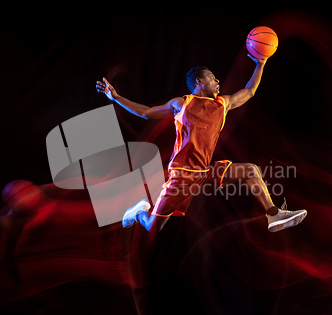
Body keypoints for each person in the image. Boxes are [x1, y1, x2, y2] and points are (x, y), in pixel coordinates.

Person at [96, 55, 306, 233]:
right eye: (212, 78)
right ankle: (140, 211)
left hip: (205, 171)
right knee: (153, 227)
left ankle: (273, 214)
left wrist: (260, 62)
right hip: (182, 176)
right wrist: (116, 97)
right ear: (199, 82)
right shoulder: (182, 103)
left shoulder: (221, 105)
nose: (217, 81)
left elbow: (249, 91)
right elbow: (146, 112)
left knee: (251, 170)